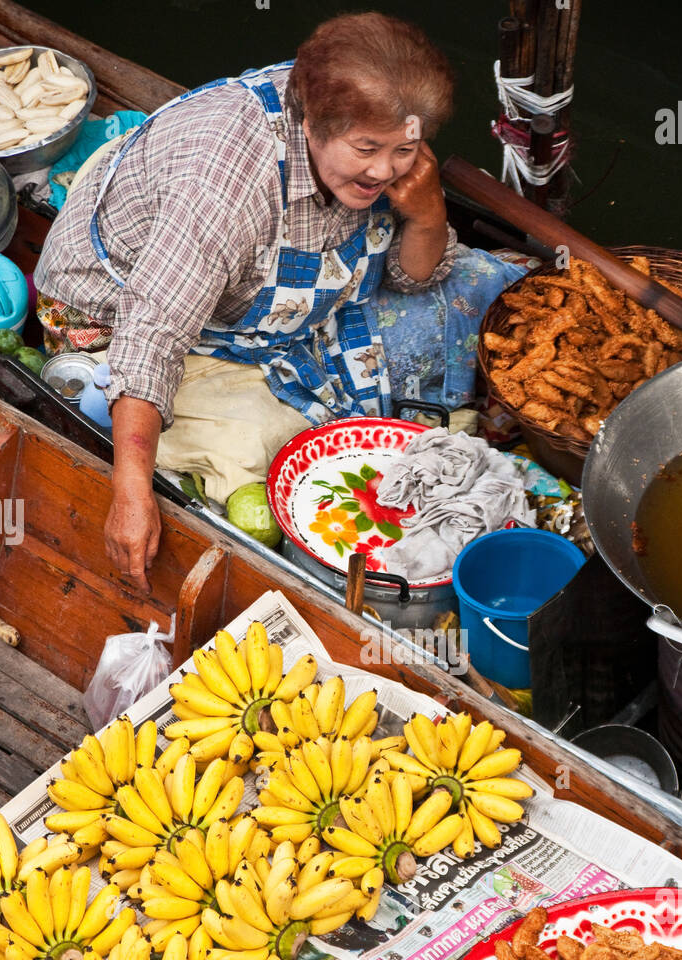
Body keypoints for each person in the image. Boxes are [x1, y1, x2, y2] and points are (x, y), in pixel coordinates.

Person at [36, 12, 524, 591]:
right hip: (126, 316)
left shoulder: (363, 124)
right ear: (313, 122)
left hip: (272, 295)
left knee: (479, 284)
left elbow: (414, 277)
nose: (384, 171)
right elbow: (154, 337)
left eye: (404, 150)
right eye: (367, 149)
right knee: (268, 451)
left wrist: (427, 214)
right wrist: (130, 494)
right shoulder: (225, 185)